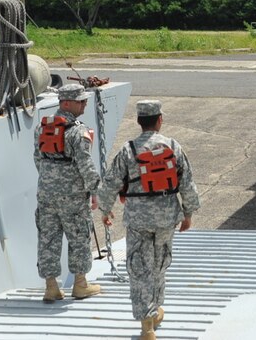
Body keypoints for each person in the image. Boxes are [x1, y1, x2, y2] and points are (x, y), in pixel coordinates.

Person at [97, 100, 200, 340]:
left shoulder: (128, 149)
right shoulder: (173, 146)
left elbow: (111, 181)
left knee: (139, 268)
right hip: (166, 217)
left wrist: (105, 209)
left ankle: (147, 327)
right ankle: (155, 311)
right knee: (159, 264)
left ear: (138, 121)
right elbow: (187, 183)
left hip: (138, 219)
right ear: (160, 119)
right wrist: (189, 213)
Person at [34, 83, 102, 303]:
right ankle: (81, 285)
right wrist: (95, 191)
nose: (84, 103)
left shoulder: (41, 128)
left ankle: (51, 287)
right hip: (73, 197)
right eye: (80, 100)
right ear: (66, 103)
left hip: (46, 194)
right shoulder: (77, 131)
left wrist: (51, 181)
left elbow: (37, 159)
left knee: (48, 238)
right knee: (79, 237)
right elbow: (86, 165)